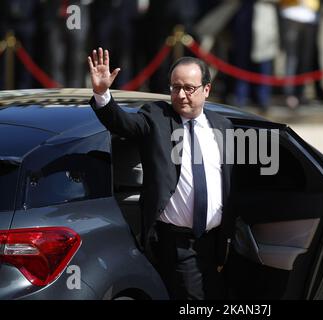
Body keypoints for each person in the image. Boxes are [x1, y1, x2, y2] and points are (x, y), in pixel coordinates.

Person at [87, 48, 235, 300]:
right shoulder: (156, 117)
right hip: (176, 243)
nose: (180, 95)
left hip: (216, 243)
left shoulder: (223, 126)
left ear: (206, 90)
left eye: (189, 88)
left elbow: (229, 181)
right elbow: (122, 123)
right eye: (175, 87)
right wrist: (103, 94)